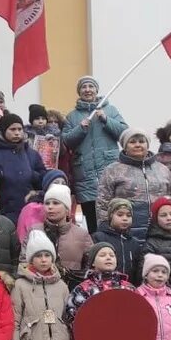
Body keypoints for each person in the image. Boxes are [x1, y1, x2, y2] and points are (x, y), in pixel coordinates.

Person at [62, 76, 128, 233]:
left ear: (96, 90)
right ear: (79, 92)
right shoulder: (72, 116)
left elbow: (124, 132)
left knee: (113, 217)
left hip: (109, 171)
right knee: (92, 222)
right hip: (85, 176)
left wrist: (106, 119)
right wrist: (80, 128)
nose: (87, 90)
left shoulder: (110, 110)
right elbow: (67, 141)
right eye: (84, 87)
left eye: (91, 86)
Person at [95, 129, 171, 239]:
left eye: (141, 141)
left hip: (159, 231)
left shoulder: (162, 169)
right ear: (125, 147)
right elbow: (102, 203)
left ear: (148, 145)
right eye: (132, 142)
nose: (137, 145)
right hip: (125, 233)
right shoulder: (112, 170)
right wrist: (105, 229)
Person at [0, 114, 44, 221]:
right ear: (3, 131)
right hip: (3, 212)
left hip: (30, 211)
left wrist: (33, 175)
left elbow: (44, 180)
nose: (17, 132)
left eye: (20, 129)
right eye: (12, 129)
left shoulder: (32, 154)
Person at [40, 184, 92, 284]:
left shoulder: (82, 234)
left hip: (72, 289)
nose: (50, 207)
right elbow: (25, 263)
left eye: (56, 203)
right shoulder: (35, 232)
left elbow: (91, 266)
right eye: (47, 203)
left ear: (67, 209)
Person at [91, 199, 141, 284]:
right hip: (102, 287)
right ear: (111, 216)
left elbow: (137, 270)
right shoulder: (99, 237)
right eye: (120, 215)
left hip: (128, 288)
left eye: (128, 215)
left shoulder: (134, 243)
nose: (125, 218)